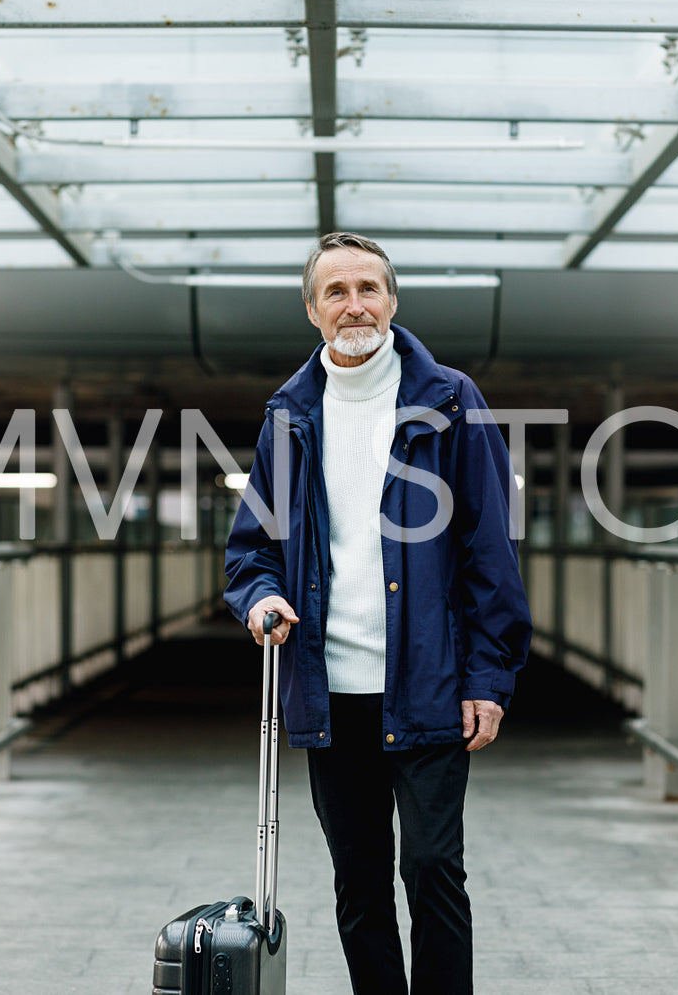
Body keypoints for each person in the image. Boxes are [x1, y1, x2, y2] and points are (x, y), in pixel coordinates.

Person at [223, 231, 532, 995]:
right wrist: (260, 595)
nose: (353, 304)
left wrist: (488, 676)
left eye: (368, 287)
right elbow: (249, 550)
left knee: (431, 868)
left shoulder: (451, 401)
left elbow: (488, 546)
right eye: (336, 291)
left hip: (430, 681)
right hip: (329, 690)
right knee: (358, 880)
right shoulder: (288, 416)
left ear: (392, 301)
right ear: (311, 310)